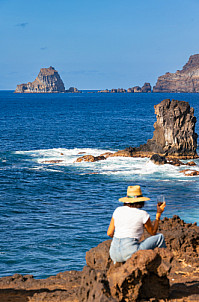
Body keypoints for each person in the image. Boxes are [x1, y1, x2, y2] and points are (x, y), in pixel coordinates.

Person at [107, 185, 166, 263]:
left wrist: (121, 239)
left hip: (114, 254)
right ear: (141, 200)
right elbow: (153, 233)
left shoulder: (117, 210)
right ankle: (164, 260)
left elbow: (109, 233)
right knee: (160, 237)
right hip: (130, 252)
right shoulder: (142, 214)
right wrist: (158, 215)